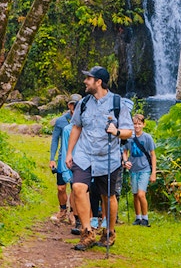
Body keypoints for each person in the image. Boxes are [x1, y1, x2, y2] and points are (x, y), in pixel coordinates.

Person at [65, 66, 134, 251]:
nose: (85, 82)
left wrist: (117, 131)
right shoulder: (84, 103)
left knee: (108, 196)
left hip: (108, 157)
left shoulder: (118, 104)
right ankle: (87, 232)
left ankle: (109, 232)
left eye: (89, 79)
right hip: (84, 154)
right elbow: (76, 127)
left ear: (99, 82)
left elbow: (129, 132)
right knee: (78, 187)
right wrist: (69, 152)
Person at [49, 93, 82, 223]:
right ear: (69, 106)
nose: (75, 108)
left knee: (75, 187)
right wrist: (52, 158)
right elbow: (55, 140)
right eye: (73, 105)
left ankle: (73, 213)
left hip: (78, 159)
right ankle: (62, 210)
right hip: (63, 159)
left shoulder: (83, 121)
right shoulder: (61, 121)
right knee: (61, 187)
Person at [123, 113, 157, 227]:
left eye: (139, 124)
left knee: (141, 194)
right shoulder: (129, 138)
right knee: (135, 194)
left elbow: (153, 155)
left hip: (145, 169)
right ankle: (138, 217)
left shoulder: (147, 138)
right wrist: (125, 161)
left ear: (143, 124)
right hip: (133, 169)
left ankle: (145, 218)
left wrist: (153, 173)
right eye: (134, 124)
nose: (137, 126)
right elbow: (125, 151)